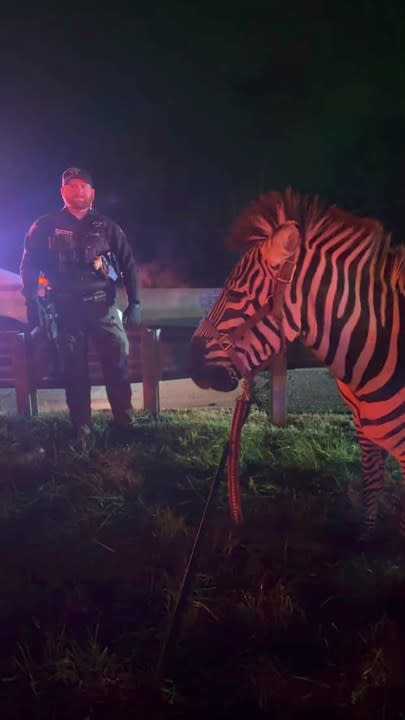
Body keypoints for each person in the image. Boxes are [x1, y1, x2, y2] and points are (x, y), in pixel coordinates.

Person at [20, 167, 141, 448]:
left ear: (92, 193)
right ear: (62, 192)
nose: (78, 191)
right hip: (65, 311)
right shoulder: (44, 226)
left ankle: (124, 423)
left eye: (84, 187)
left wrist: (134, 301)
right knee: (73, 371)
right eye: (72, 186)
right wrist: (32, 301)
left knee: (117, 367)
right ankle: (82, 427)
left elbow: (128, 264)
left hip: (104, 308)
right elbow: (28, 266)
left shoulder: (108, 226)